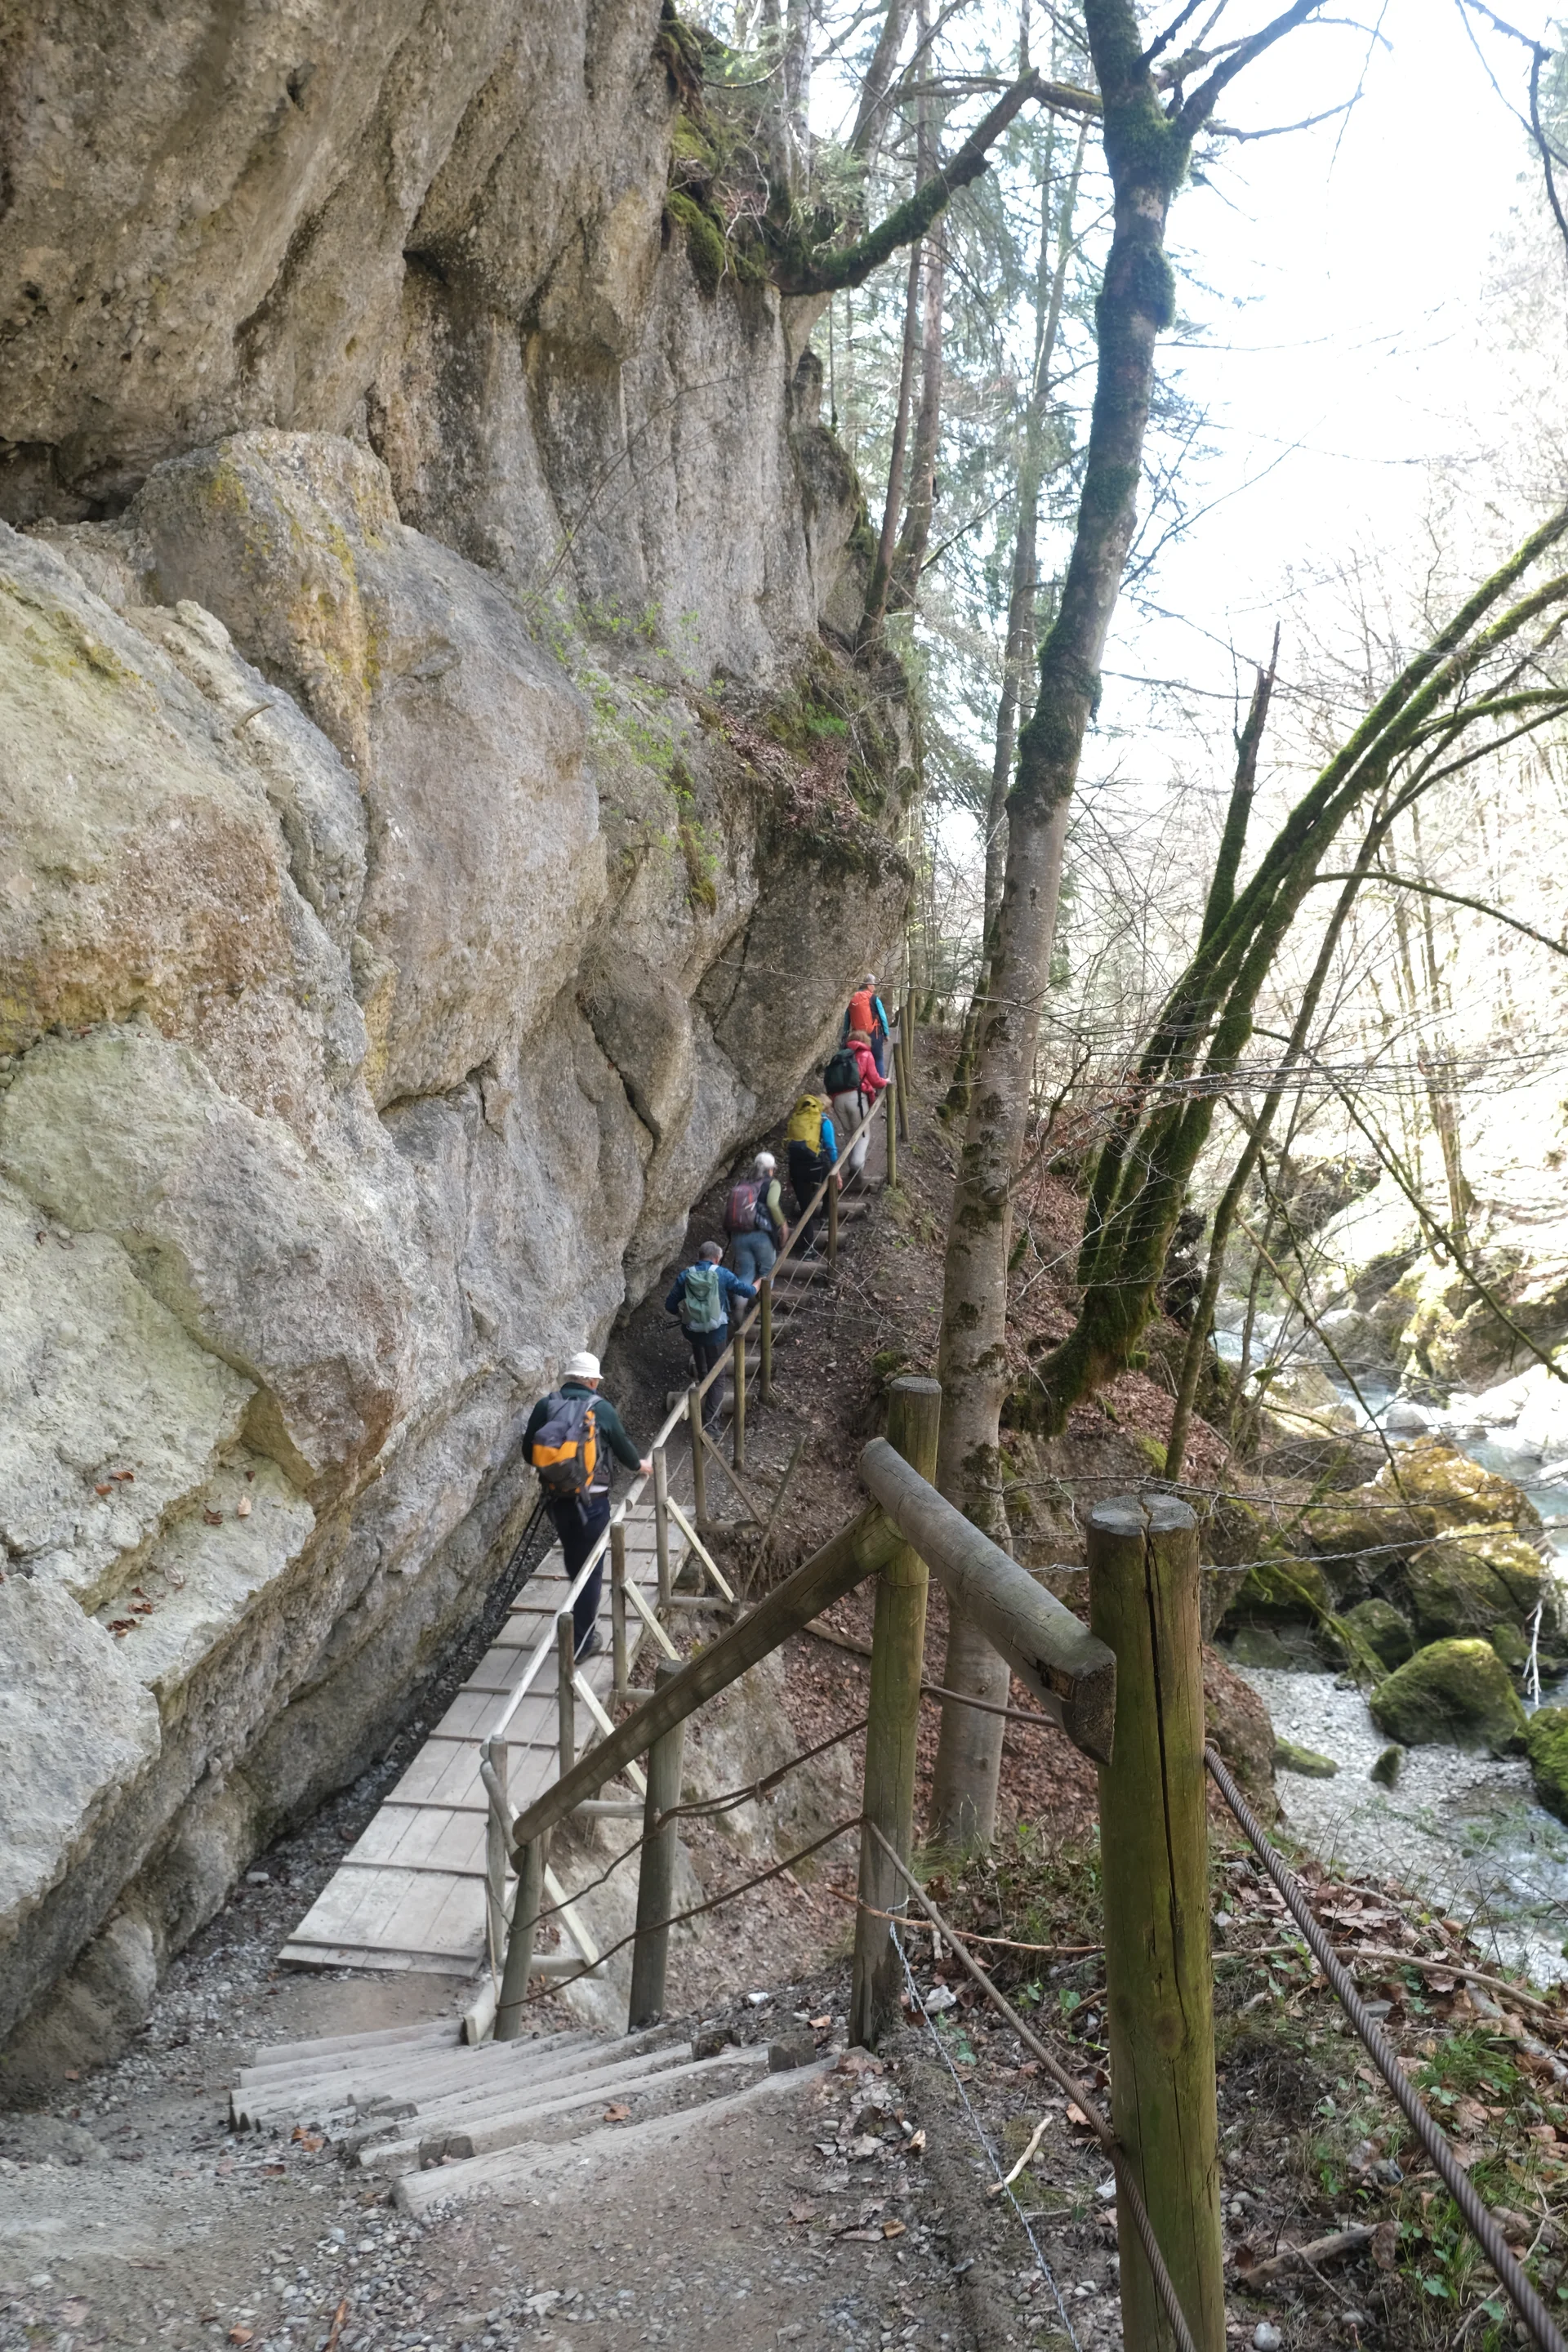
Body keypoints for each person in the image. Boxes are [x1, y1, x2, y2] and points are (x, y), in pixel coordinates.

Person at [523, 1352, 651, 1659]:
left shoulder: (546, 1406)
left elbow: (530, 1452)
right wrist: (640, 1465)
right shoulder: (601, 1409)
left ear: (569, 1377)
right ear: (593, 1381)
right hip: (592, 1503)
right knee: (591, 1570)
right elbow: (622, 1447)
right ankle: (581, 1644)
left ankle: (576, 1619)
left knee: (574, 1556)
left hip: (556, 1501)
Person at [666, 1241, 758, 1425]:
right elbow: (747, 1291)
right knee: (717, 1376)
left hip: (693, 1331)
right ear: (717, 1258)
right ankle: (711, 1425)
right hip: (716, 1333)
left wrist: (683, 1314)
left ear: (699, 1257)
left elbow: (669, 1305)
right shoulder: (722, 1274)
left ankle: (702, 1392)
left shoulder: (686, 1275)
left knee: (703, 1368)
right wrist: (760, 1282)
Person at [823, 1029, 889, 1179]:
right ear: (865, 1040)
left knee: (849, 1132)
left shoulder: (840, 1056)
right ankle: (856, 1166)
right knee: (863, 1133)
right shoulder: (866, 1054)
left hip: (837, 1099)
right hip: (857, 1098)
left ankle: (851, 1166)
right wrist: (886, 1082)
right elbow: (875, 1079)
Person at [784, 1092, 837, 1254]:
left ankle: (807, 1248)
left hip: (797, 1168)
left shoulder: (797, 1119)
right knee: (831, 1185)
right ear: (825, 1108)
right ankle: (825, 1217)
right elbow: (830, 1147)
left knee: (805, 1207)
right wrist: (837, 1170)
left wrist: (789, 1175)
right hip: (817, 1167)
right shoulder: (823, 1121)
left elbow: (791, 1148)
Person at [724, 1152, 788, 1285]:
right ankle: (764, 1305)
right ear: (771, 1169)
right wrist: (783, 1225)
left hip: (738, 1234)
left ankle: (740, 1305)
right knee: (767, 1272)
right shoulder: (773, 1183)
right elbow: (772, 1203)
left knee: (746, 1272)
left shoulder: (742, 1182)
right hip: (762, 1234)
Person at [842, 973, 891, 1076]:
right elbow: (883, 1017)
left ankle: (861, 1086)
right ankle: (879, 1086)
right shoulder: (874, 998)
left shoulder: (852, 997)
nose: (874, 987)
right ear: (868, 985)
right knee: (878, 1058)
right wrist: (886, 1033)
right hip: (874, 1033)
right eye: (873, 984)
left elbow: (847, 1018)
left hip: (858, 1035)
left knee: (859, 1059)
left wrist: (846, 1033)